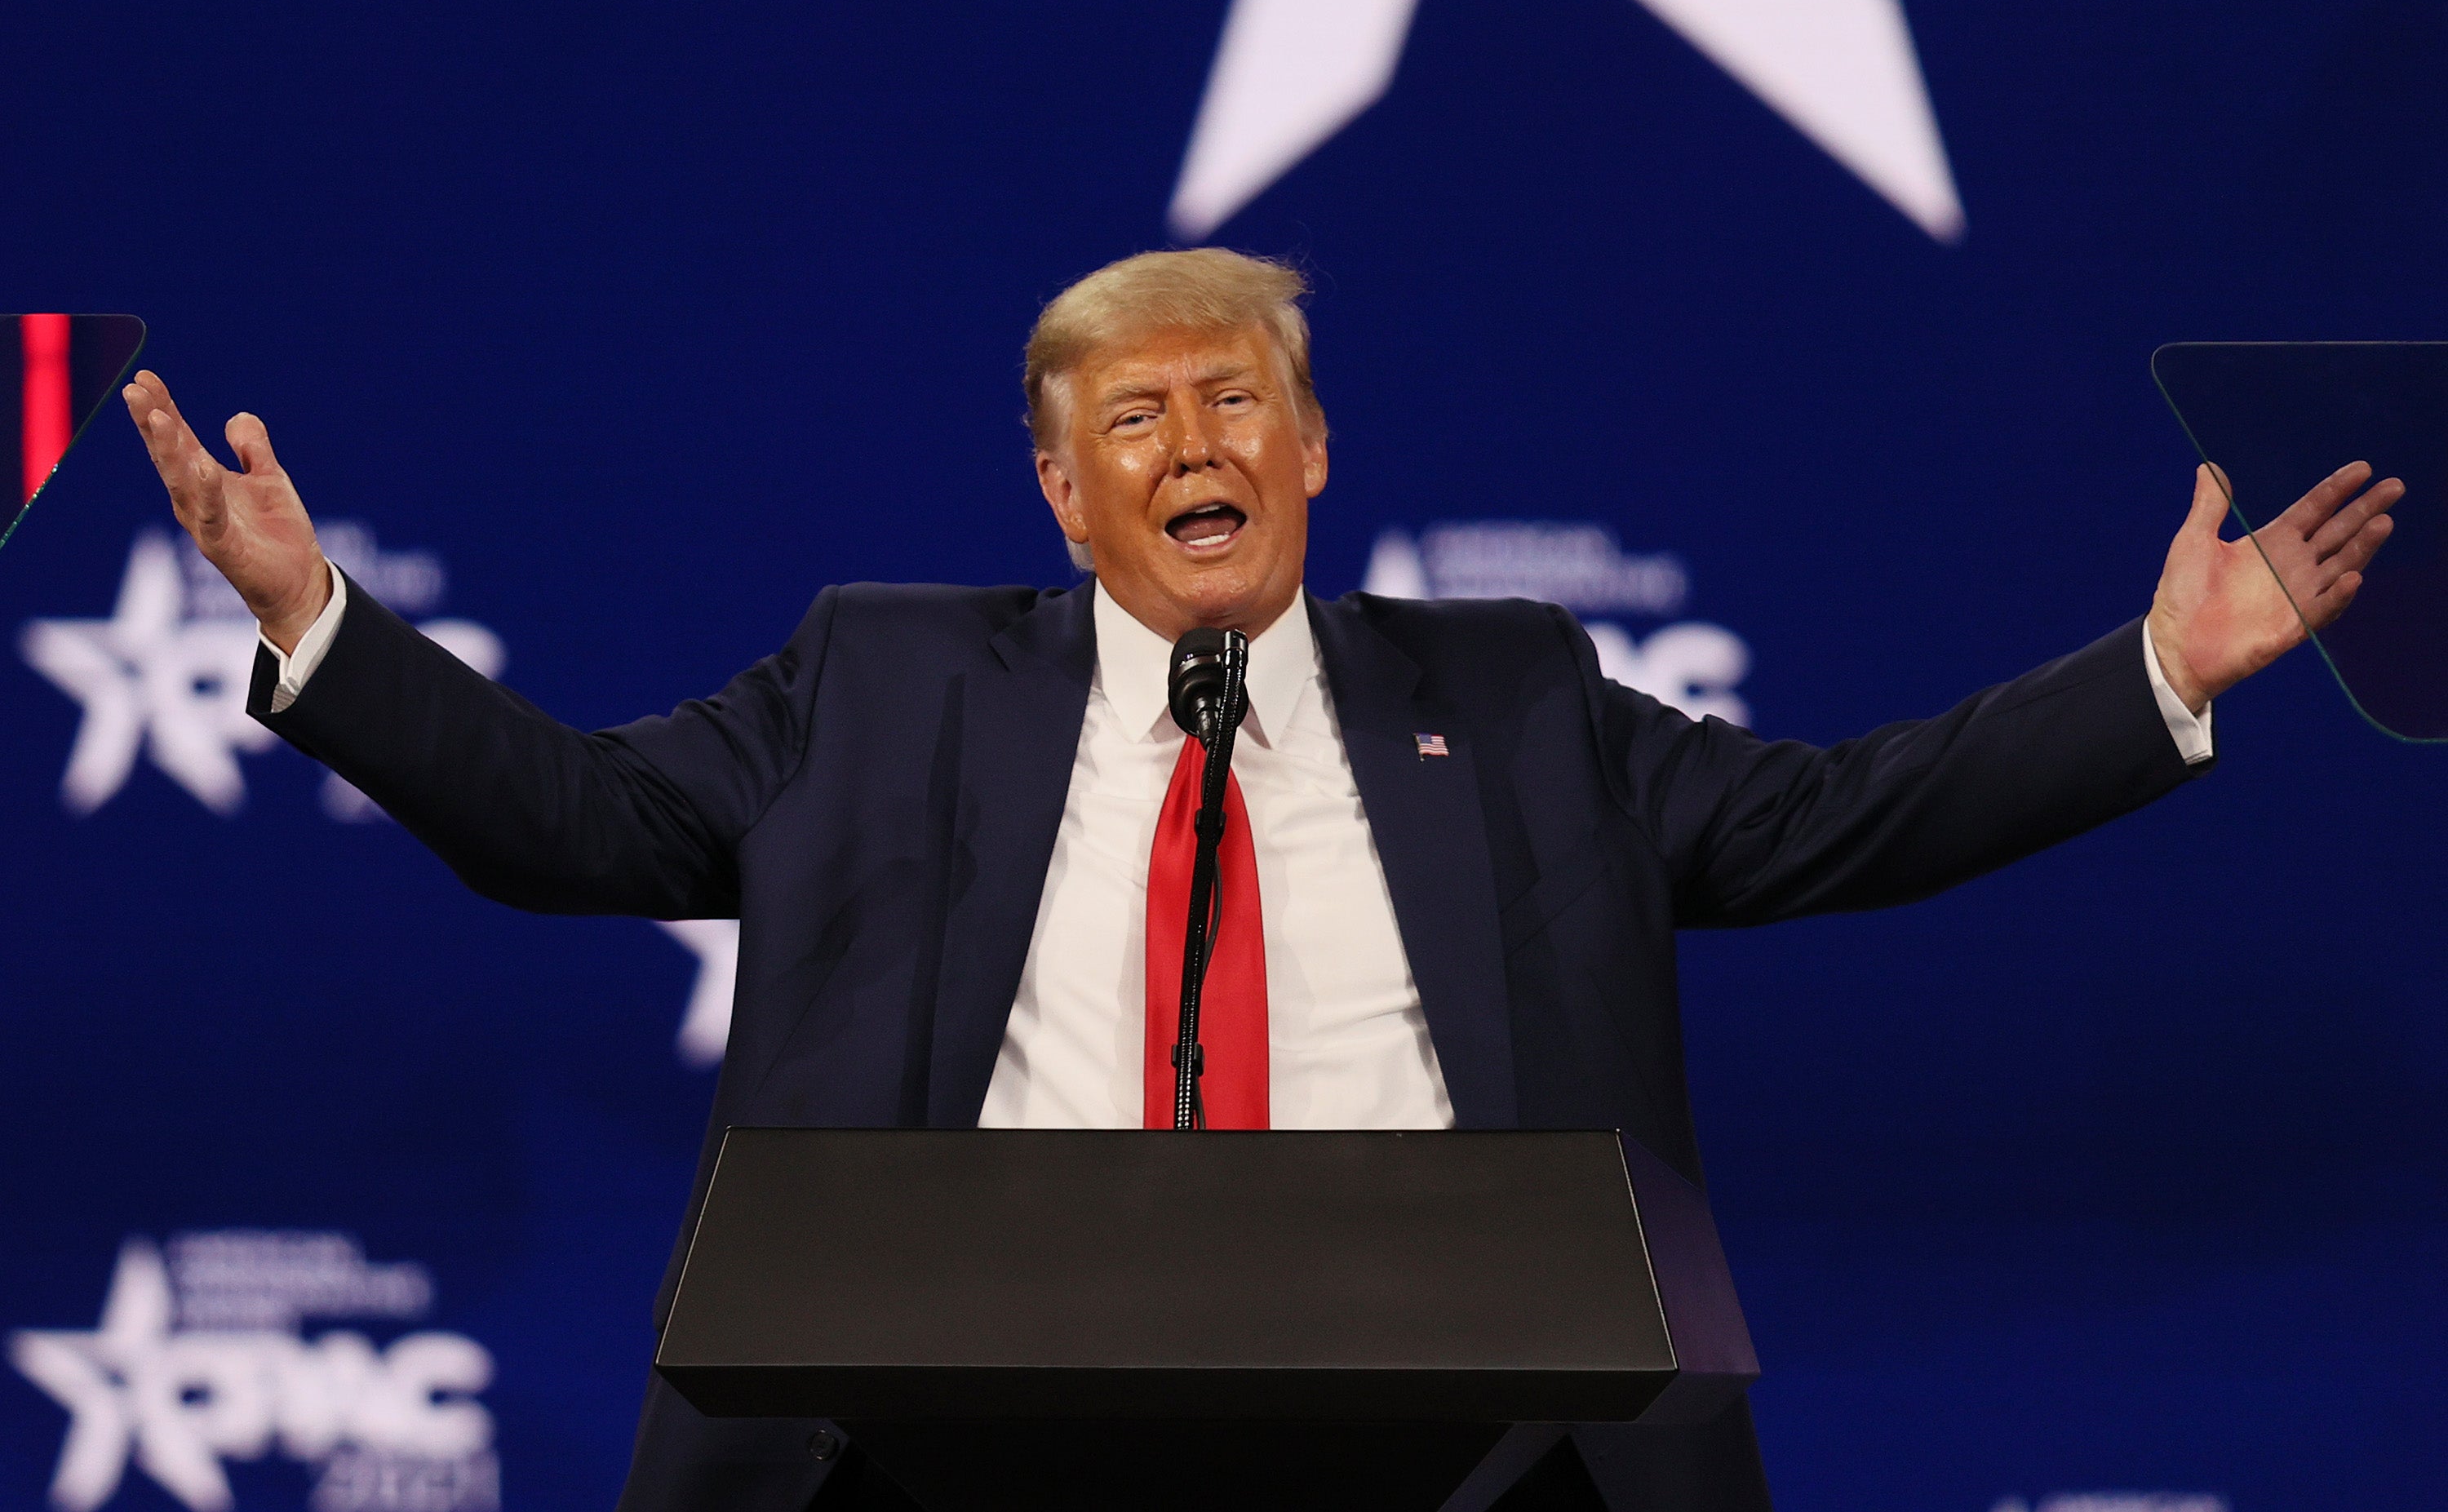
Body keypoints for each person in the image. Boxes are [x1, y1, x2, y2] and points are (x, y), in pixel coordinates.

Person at [126, 250, 2400, 1511]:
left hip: (1459, 1451)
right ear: (1061, 493)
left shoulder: (1510, 692)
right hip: (951, 1449)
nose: (1193, 445)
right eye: (1133, 419)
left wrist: (2157, 676)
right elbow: (574, 824)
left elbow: (1839, 818)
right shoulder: (880, 682)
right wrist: (318, 620)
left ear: (1313, 448)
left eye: (1234, 403)